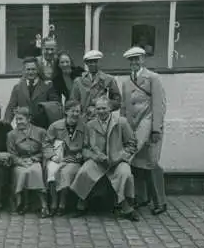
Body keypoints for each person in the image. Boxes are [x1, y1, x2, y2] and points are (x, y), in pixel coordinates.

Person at [70, 96, 139, 221]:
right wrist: (95, 156)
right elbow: (85, 148)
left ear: (110, 109)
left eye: (104, 108)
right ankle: (82, 203)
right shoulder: (90, 125)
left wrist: (121, 156)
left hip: (117, 160)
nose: (101, 111)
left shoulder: (121, 123)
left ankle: (126, 206)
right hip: (98, 161)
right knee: (84, 171)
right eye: (98, 109)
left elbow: (132, 144)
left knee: (125, 173)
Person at [121, 46, 167, 215]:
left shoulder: (153, 78)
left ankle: (160, 202)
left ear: (143, 59)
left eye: (137, 59)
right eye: (131, 60)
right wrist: (123, 128)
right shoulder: (126, 82)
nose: (134, 62)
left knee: (152, 163)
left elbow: (159, 105)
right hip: (133, 127)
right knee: (137, 164)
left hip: (149, 125)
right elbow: (124, 108)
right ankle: (142, 197)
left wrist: (156, 129)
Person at [43, 100, 85, 216]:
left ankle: (62, 203)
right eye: (73, 111)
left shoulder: (84, 127)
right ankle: (54, 202)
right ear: (66, 112)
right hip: (57, 157)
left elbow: (87, 145)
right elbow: (46, 143)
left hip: (73, 159)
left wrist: (81, 155)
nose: (76, 114)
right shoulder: (55, 126)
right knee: (51, 170)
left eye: (78, 111)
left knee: (66, 173)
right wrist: (52, 155)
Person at [7, 107, 50, 218]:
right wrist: (21, 162)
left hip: (35, 160)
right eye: (16, 119)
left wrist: (34, 159)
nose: (18, 122)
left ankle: (43, 204)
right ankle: (20, 202)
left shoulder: (41, 132)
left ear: (29, 118)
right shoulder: (11, 135)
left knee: (35, 170)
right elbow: (11, 153)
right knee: (21, 172)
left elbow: (45, 150)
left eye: (21, 119)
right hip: (19, 162)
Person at [4, 57, 59, 127]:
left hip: (42, 128)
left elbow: (54, 108)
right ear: (23, 71)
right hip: (23, 127)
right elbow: (11, 108)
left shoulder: (47, 87)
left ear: (38, 70)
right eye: (28, 69)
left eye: (33, 69)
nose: (30, 72)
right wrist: (5, 126)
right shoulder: (17, 88)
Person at [70, 50, 121, 117]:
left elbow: (117, 102)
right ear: (86, 63)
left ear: (100, 62)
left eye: (95, 61)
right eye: (90, 62)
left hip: (103, 118)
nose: (93, 64)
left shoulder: (109, 79)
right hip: (84, 119)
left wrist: (104, 105)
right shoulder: (78, 81)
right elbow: (73, 102)